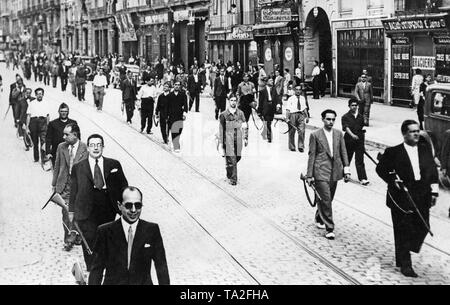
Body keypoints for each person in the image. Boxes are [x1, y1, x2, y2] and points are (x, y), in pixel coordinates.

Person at [376, 120, 439, 277]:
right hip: (401, 195)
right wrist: (392, 181)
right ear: (404, 134)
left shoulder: (424, 150)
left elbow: (432, 171)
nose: (416, 134)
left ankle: (403, 251)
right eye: (412, 131)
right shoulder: (393, 152)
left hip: (421, 193)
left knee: (423, 226)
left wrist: (434, 192)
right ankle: (406, 264)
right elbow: (381, 169)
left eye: (417, 131)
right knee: (403, 229)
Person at [69, 134, 129, 271]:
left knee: (105, 236)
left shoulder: (114, 164)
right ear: (88, 148)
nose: (96, 148)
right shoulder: (78, 167)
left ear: (103, 147)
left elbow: (123, 184)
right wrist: (71, 211)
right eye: (92, 145)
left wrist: (125, 202)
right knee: (89, 237)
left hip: (108, 206)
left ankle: (105, 264)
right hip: (86, 207)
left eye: (98, 145)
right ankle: (92, 268)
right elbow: (73, 191)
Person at [88, 186, 170, 285]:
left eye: (138, 205)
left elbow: (161, 267)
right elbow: (97, 269)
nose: (134, 210)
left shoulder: (152, 230)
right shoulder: (105, 232)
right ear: (119, 205)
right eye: (128, 205)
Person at [306, 109, 350, 240]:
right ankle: (330, 228)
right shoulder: (315, 135)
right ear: (323, 120)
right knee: (325, 198)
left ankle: (319, 216)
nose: (331, 122)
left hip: (335, 171)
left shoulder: (338, 134)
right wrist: (309, 175)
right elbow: (311, 155)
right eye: (328, 119)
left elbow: (343, 152)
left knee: (328, 199)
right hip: (320, 171)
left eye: (333, 119)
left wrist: (346, 170)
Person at [52, 123, 88, 251]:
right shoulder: (61, 147)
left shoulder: (85, 148)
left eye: (66, 134)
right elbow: (57, 166)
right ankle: (68, 239)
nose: (63, 137)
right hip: (65, 186)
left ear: (75, 135)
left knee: (77, 213)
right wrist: (54, 185)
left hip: (79, 187)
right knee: (66, 213)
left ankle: (75, 235)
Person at [219, 94, 248, 185]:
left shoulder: (240, 113)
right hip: (228, 139)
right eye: (231, 100)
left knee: (238, 157)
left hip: (238, 138)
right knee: (232, 158)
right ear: (228, 101)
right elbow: (221, 129)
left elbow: (245, 126)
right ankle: (233, 179)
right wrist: (221, 142)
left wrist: (246, 138)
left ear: (237, 101)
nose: (233, 102)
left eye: (235, 100)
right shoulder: (223, 114)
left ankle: (229, 168)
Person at [341, 98, 369, 185]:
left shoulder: (360, 117)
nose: (354, 107)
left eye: (356, 105)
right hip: (349, 140)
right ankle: (345, 174)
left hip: (359, 140)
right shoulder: (345, 117)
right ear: (349, 106)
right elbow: (346, 128)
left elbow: (361, 127)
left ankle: (363, 178)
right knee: (347, 158)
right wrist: (352, 135)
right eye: (352, 105)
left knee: (360, 159)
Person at [46, 103, 78, 167]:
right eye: (62, 111)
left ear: (68, 112)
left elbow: (77, 138)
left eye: (65, 111)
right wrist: (48, 152)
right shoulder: (52, 123)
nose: (64, 113)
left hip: (69, 152)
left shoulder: (73, 123)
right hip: (56, 152)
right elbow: (48, 138)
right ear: (59, 112)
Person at [26, 88, 50, 165]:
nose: (39, 95)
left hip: (43, 122)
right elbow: (28, 116)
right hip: (34, 122)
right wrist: (27, 127)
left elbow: (48, 116)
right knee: (35, 142)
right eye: (38, 94)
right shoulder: (32, 103)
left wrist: (48, 125)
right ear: (35, 95)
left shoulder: (46, 103)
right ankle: (36, 158)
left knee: (43, 141)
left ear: (43, 94)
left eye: (41, 93)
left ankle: (43, 159)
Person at [285, 84, 309, 152]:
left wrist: (307, 117)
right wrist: (287, 118)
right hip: (293, 115)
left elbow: (304, 108)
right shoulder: (290, 98)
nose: (298, 91)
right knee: (292, 131)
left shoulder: (302, 98)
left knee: (302, 131)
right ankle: (292, 146)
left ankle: (301, 146)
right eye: (297, 89)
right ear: (294, 90)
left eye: (299, 90)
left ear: (301, 91)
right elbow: (288, 109)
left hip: (301, 115)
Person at [167, 81, 188, 153]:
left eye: (178, 85)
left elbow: (185, 105)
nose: (177, 86)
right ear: (173, 85)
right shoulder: (170, 95)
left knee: (179, 130)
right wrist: (167, 115)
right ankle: (176, 145)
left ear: (180, 86)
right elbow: (167, 106)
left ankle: (176, 141)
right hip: (172, 115)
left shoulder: (183, 95)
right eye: (175, 85)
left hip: (179, 115)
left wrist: (184, 113)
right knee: (173, 130)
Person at [257, 78, 280, 143]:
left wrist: (278, 105)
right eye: (270, 80)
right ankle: (269, 136)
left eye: (272, 81)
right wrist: (259, 111)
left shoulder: (274, 89)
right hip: (265, 108)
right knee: (268, 122)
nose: (272, 82)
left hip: (272, 107)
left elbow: (277, 97)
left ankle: (267, 132)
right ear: (266, 82)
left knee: (270, 121)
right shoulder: (262, 91)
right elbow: (260, 101)